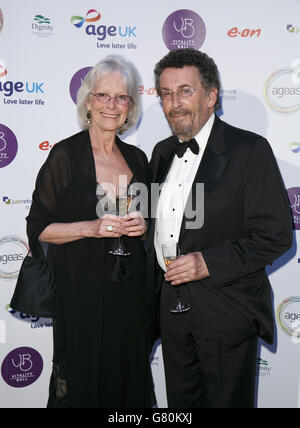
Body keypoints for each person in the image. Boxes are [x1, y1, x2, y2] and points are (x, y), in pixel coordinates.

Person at [147, 48, 293, 408]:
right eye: (166, 93)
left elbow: (275, 235)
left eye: (185, 91)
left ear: (211, 96)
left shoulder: (249, 150)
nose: (174, 103)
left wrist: (207, 262)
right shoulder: (161, 153)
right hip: (172, 313)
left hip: (225, 312)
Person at [27, 55, 153, 408]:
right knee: (81, 381)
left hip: (128, 295)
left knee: (128, 381)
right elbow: (39, 228)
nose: (111, 105)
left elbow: (150, 225)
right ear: (88, 102)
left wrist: (143, 228)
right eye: (103, 96)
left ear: (130, 106)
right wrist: (91, 227)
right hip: (80, 294)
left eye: (121, 97)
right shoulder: (65, 156)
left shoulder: (138, 160)